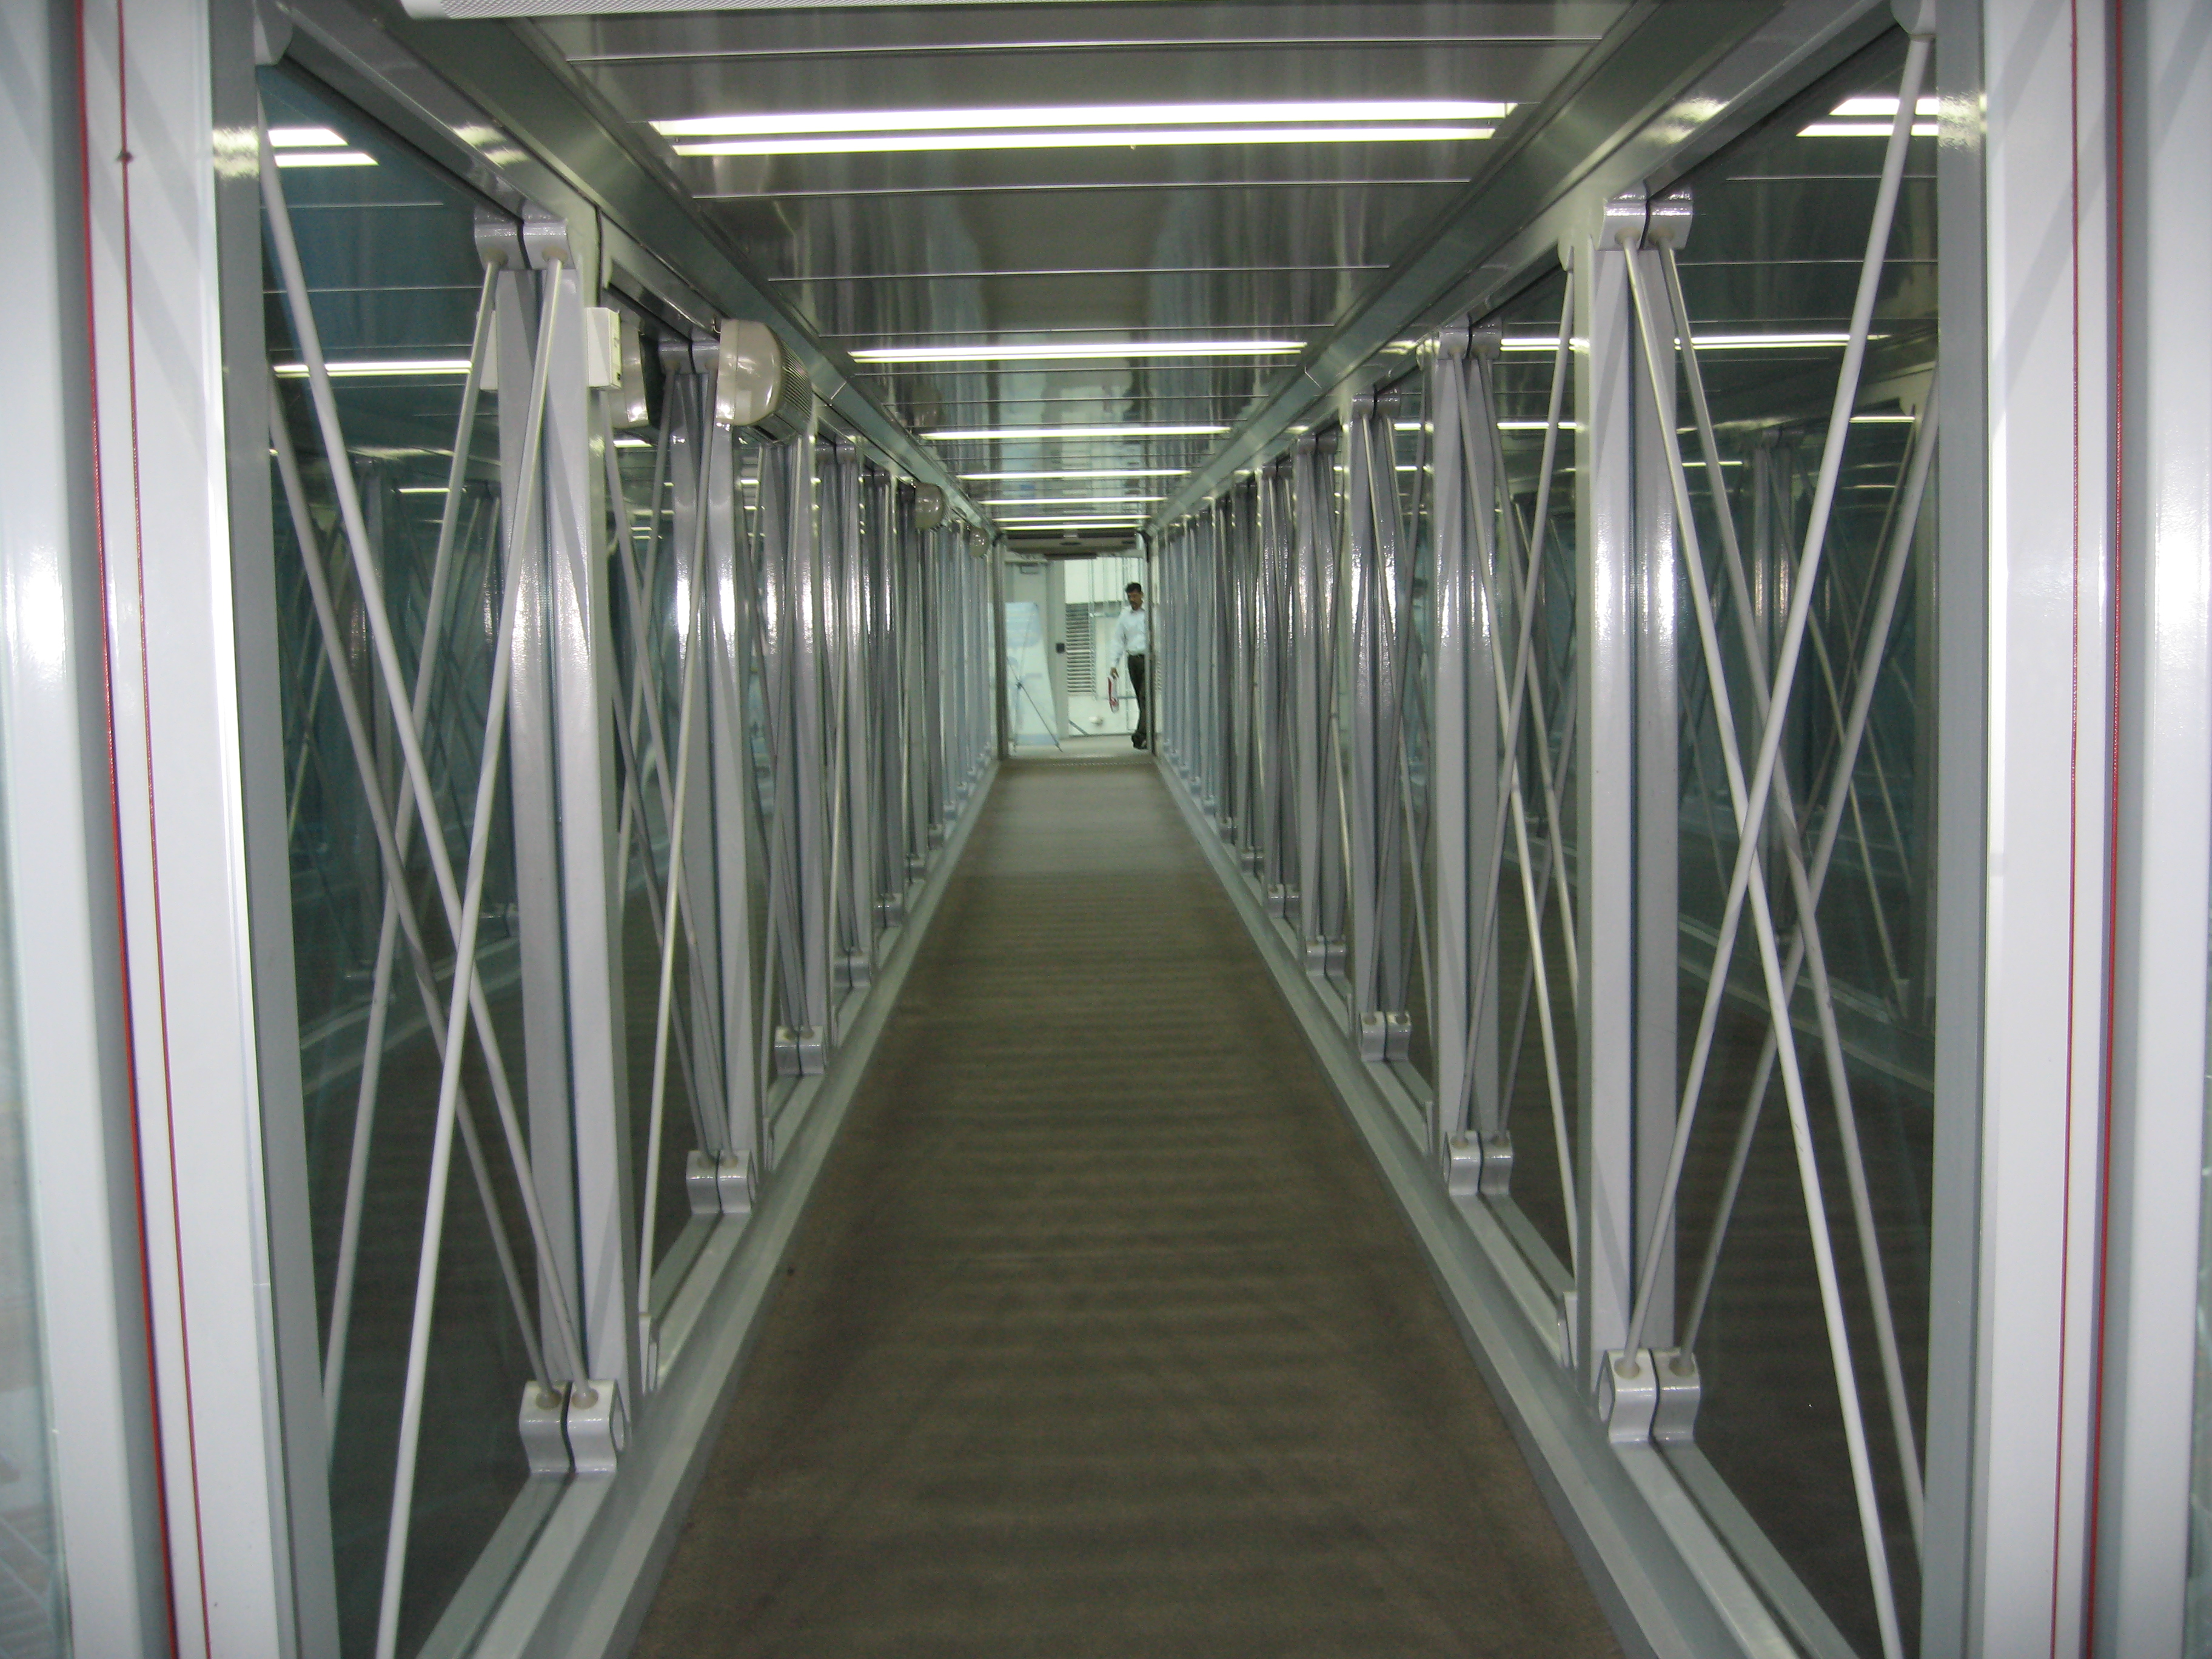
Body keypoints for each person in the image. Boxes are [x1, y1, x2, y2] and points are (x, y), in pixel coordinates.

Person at [1108, 581, 1150, 749]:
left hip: (1148, 658)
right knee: (1141, 700)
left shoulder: (1150, 614)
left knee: (1145, 697)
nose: (1132, 599)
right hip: (1133, 660)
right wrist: (1113, 664)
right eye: (1129, 597)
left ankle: (1140, 735)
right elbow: (1118, 640)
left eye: (1134, 596)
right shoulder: (1124, 616)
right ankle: (1146, 733)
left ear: (1141, 595)